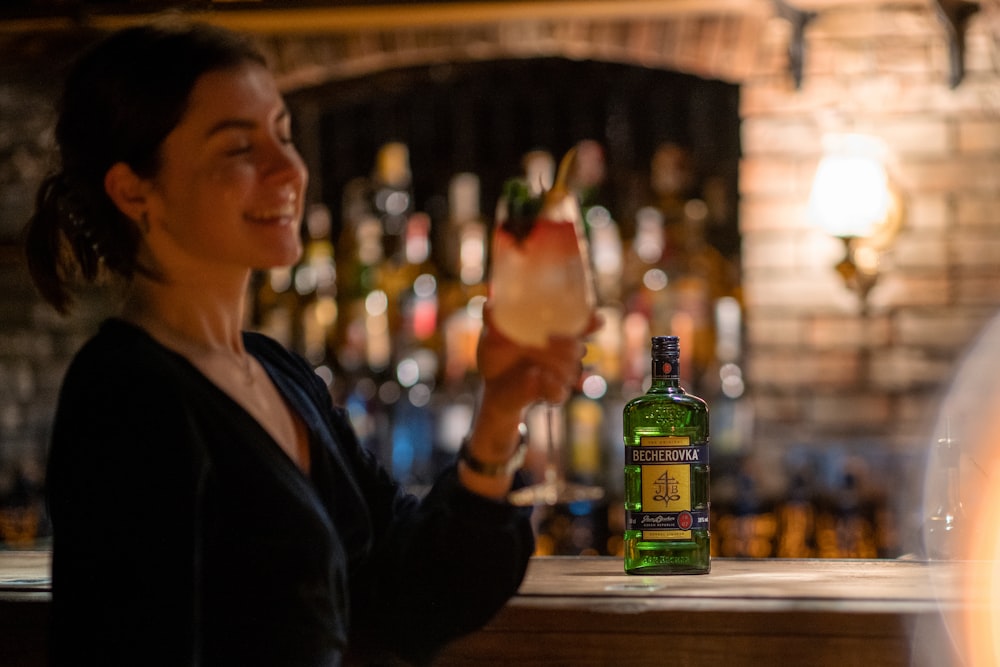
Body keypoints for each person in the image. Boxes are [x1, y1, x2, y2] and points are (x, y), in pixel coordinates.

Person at [23, 20, 592, 666]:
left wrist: (498, 412)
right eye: (240, 147)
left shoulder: (275, 370)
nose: (289, 168)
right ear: (133, 189)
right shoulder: (126, 396)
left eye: (284, 134)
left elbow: (412, 595)